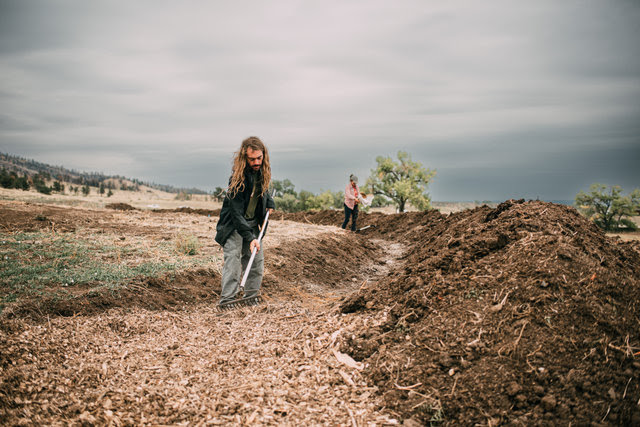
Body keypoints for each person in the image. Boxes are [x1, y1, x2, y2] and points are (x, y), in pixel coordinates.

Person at [215, 136, 275, 305]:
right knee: (233, 262)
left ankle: (251, 297)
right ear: (244, 158)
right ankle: (227, 300)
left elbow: (263, 193)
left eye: (259, 158)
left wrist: (269, 201)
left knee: (256, 261)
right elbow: (235, 213)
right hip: (233, 226)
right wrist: (250, 238)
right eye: (252, 159)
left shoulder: (263, 173)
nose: (256, 162)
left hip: (253, 224)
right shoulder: (237, 180)